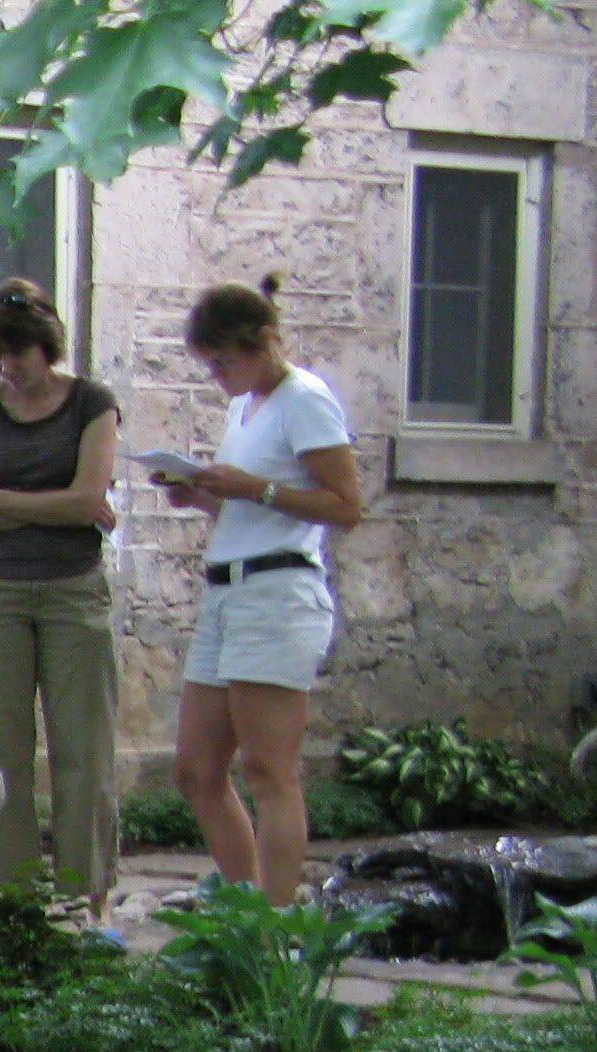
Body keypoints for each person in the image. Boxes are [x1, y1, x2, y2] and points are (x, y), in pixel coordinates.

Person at [151, 278, 364, 906]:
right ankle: (246, 903)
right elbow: (248, 504)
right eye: (208, 364)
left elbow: (346, 506)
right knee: (197, 770)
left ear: (264, 342)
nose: (217, 374)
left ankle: (276, 919)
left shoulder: (306, 401)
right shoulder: (244, 407)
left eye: (224, 361)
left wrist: (253, 490)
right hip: (227, 589)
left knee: (268, 768)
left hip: (278, 591)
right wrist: (203, 496)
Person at [0, 276, 123, 926]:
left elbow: (89, 500)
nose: (4, 366)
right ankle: (10, 900)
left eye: (14, 352)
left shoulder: (92, 405)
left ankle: (85, 897)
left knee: (83, 751)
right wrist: (60, 506)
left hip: (74, 592)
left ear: (44, 347)